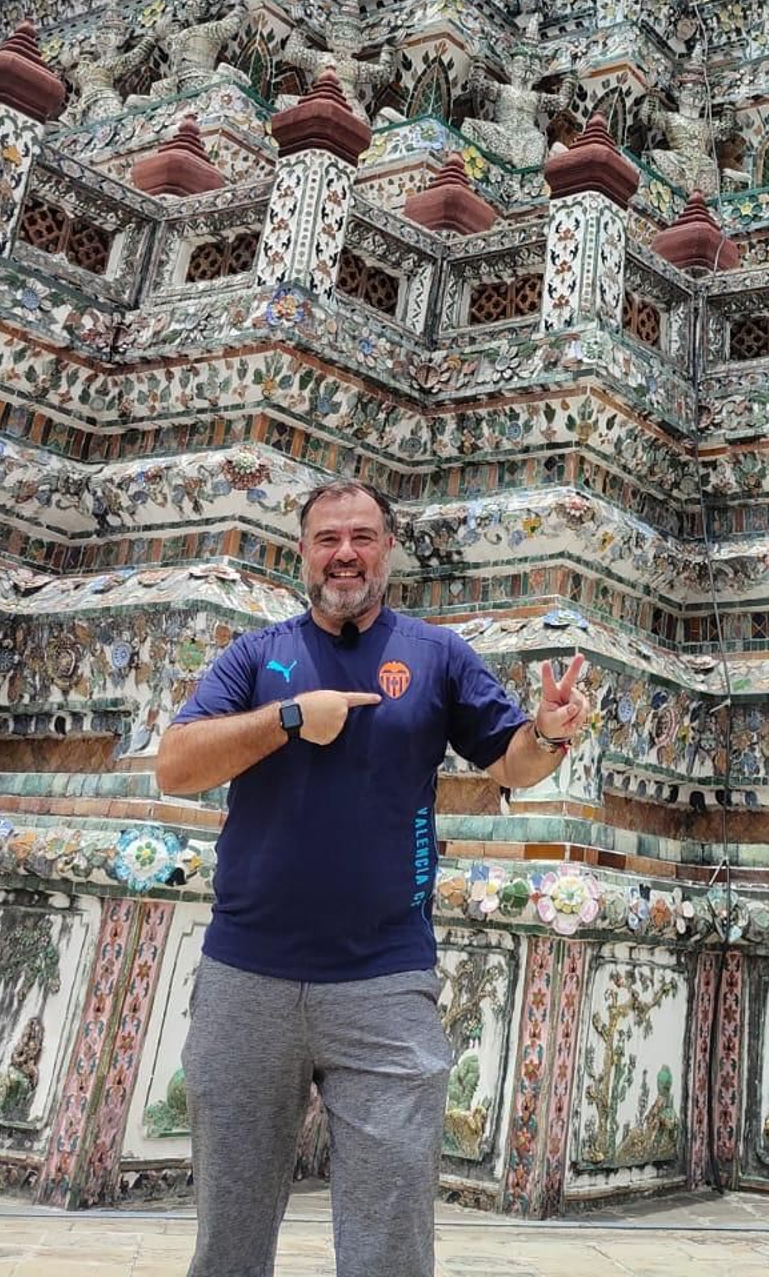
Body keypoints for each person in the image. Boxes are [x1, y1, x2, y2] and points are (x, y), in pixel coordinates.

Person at [156, 478, 591, 1277]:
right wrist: (290, 716)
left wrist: (548, 732)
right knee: (228, 1233)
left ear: (387, 547)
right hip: (246, 971)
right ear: (303, 552)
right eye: (328, 538)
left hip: (385, 979)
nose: (345, 553)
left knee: (389, 1238)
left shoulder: (437, 656)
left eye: (362, 536)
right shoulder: (256, 656)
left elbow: (509, 760)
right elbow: (175, 766)